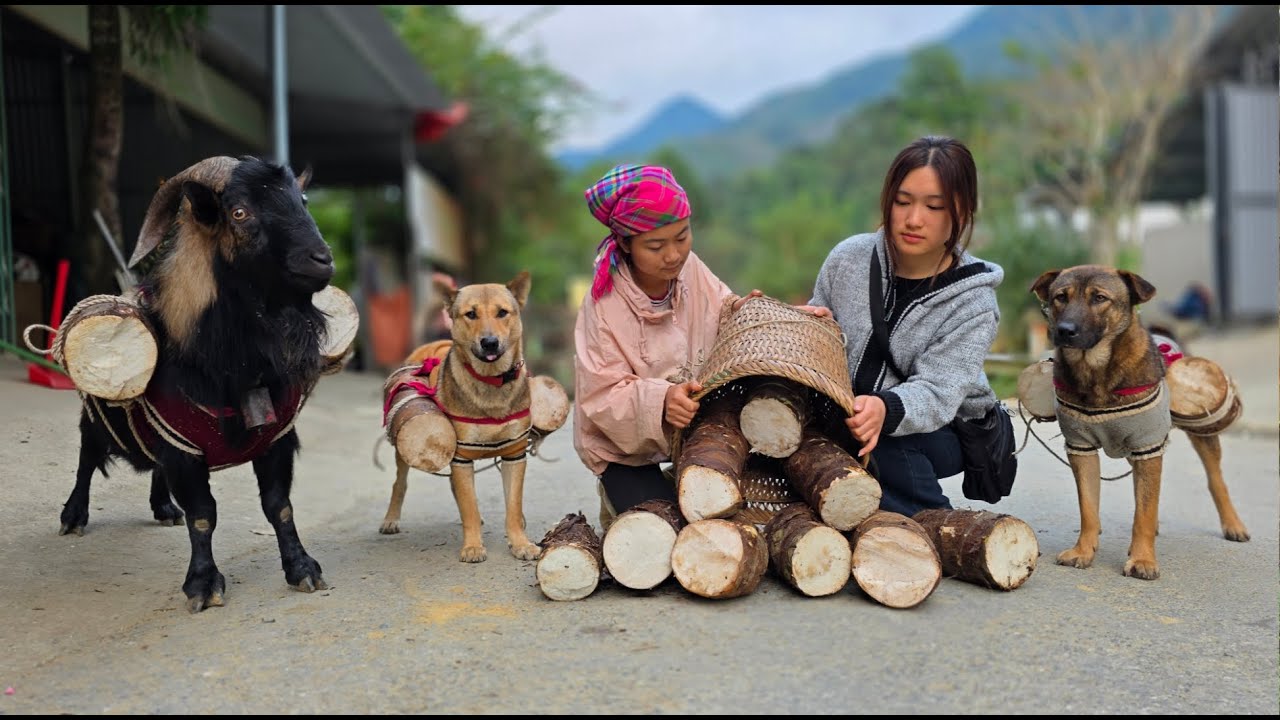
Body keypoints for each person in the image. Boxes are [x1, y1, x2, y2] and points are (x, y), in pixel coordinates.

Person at [573, 164, 827, 519]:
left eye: (682, 236)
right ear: (626, 244)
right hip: (624, 450)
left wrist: (775, 316)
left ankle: (678, 473)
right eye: (656, 246)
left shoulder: (689, 268)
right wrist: (661, 400)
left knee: (721, 516)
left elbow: (722, 311)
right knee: (665, 533)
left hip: (690, 433)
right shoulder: (603, 305)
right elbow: (600, 396)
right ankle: (615, 494)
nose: (674, 254)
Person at [809, 135, 1004, 516]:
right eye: (902, 202)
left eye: (934, 206)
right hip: (852, 415)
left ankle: (937, 527)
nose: (913, 219)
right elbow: (819, 328)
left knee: (881, 442)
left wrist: (884, 409)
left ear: (960, 212)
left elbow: (938, 392)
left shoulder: (974, 300)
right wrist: (809, 329)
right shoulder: (847, 259)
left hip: (943, 429)